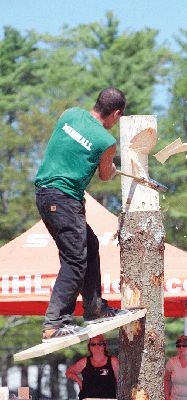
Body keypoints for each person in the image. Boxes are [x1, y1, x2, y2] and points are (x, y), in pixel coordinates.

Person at [35, 87, 128, 342]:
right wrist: (112, 164)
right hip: (64, 199)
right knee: (75, 260)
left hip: (44, 195)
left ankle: (94, 307)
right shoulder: (106, 141)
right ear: (116, 114)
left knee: (90, 243)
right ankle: (55, 323)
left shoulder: (70, 114)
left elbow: (68, 148)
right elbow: (105, 175)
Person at [66, 334, 118, 399]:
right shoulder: (84, 362)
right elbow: (68, 372)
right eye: (93, 344)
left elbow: (119, 381)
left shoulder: (113, 361)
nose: (96, 346)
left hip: (108, 398)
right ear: (89, 347)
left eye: (99, 343)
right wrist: (79, 381)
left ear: (104, 345)